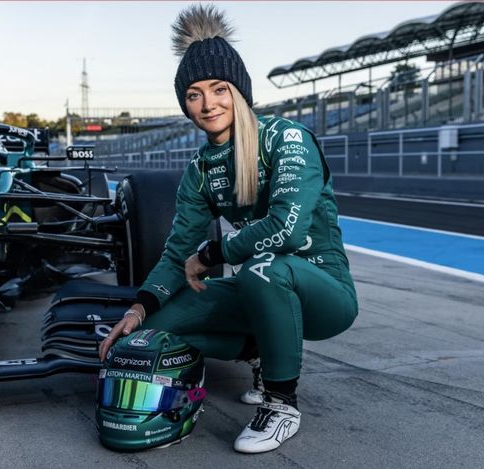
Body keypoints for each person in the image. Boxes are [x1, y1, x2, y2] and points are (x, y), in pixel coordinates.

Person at [98, 4, 358, 454]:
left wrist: (211, 256)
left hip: (323, 292)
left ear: (239, 91)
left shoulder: (286, 138)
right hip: (259, 287)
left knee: (263, 267)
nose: (208, 104)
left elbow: (287, 229)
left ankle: (281, 403)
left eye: (219, 89)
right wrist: (139, 309)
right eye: (194, 94)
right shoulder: (199, 169)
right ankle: (260, 349)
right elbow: (177, 251)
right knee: (153, 331)